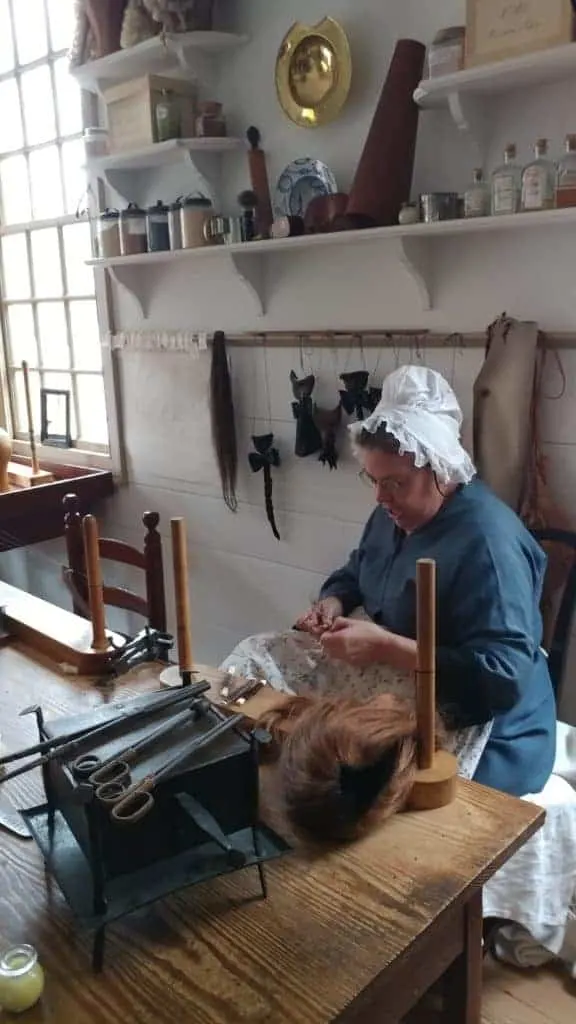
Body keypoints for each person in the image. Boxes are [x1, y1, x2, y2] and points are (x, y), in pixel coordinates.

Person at [295, 364, 555, 799]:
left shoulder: (489, 544)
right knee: (294, 728)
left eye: (394, 483)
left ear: (439, 467)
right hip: (411, 687)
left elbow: (503, 678)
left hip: (494, 729)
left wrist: (385, 647)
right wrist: (335, 601)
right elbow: (358, 570)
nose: (380, 498)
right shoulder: (394, 514)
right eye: (374, 481)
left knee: (354, 783)